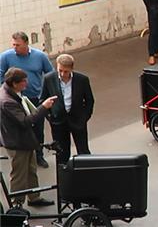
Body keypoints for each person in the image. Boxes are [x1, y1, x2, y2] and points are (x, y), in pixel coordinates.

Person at [0, 67, 57, 206]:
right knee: (19, 175)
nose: (26, 84)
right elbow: (25, 122)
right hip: (17, 143)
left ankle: (34, 197)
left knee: (31, 170)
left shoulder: (10, 92)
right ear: (14, 83)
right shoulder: (7, 101)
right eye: (24, 82)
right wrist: (44, 107)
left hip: (23, 140)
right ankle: (17, 205)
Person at [0, 31, 54, 168]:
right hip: (16, 100)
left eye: (17, 45)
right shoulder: (6, 57)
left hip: (35, 98)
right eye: (13, 44)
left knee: (38, 128)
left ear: (26, 43)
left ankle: (39, 155)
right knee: (21, 127)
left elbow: (50, 74)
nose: (14, 47)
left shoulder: (40, 56)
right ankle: (26, 154)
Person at [39, 54, 94, 165]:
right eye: (60, 70)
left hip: (78, 121)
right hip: (58, 122)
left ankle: (87, 177)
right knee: (62, 153)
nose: (63, 74)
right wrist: (50, 117)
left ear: (72, 69)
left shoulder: (82, 79)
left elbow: (89, 101)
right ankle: (64, 180)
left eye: (66, 71)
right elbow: (43, 100)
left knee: (83, 151)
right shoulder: (49, 79)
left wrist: (84, 118)